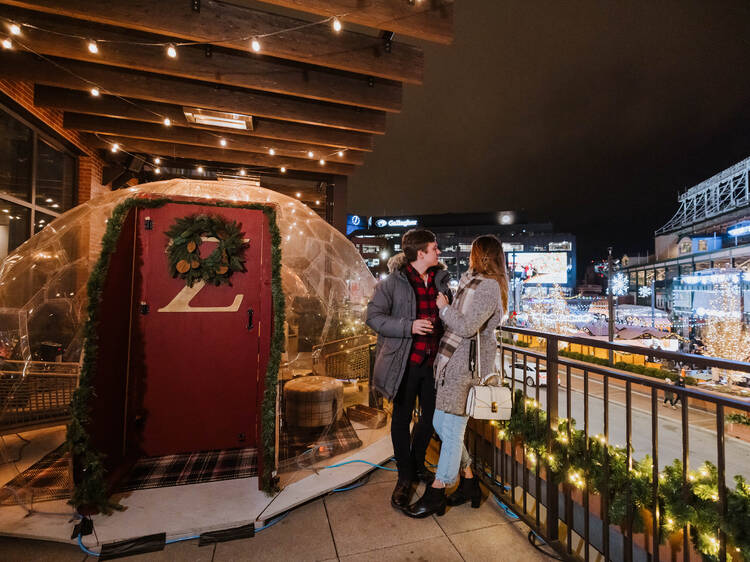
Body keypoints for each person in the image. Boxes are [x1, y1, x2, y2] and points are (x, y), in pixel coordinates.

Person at [405, 235, 508, 518]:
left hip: (467, 370)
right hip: (454, 364)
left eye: (474, 252)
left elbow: (466, 326)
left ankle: (437, 492)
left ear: (481, 255)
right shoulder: (471, 283)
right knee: (442, 422)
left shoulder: (487, 287)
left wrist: (444, 308)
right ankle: (469, 481)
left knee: (450, 429)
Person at [366, 229, 452, 511]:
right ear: (420, 253)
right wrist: (409, 326)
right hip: (404, 364)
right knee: (402, 421)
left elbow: (449, 320)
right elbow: (373, 317)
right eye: (434, 248)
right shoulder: (392, 284)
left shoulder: (441, 282)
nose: (439, 252)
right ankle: (404, 478)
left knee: (430, 420)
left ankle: (416, 466)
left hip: (433, 365)